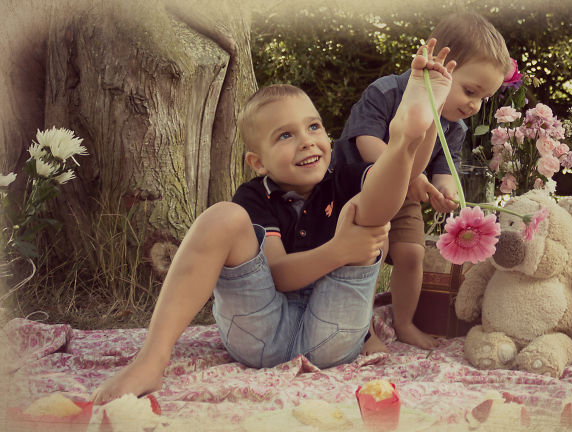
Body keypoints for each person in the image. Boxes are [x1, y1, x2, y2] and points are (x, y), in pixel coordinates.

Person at [90, 39, 456, 404]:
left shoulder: (341, 174)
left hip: (331, 333)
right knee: (223, 217)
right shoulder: (255, 196)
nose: (307, 142)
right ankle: (152, 360)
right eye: (285, 135)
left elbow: (398, 189)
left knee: (368, 211)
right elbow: (277, 273)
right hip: (260, 332)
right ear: (258, 163)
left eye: (313, 127)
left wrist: (412, 141)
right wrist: (340, 250)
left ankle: (405, 136)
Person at [331, 12, 511, 350]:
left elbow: (446, 167)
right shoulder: (386, 91)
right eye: (470, 91)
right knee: (370, 252)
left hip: (406, 196)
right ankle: (361, 329)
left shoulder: (454, 126)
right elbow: (365, 144)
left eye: (482, 99)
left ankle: (403, 322)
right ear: (437, 66)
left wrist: (445, 191)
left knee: (413, 254)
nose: (474, 105)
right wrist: (402, 173)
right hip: (355, 192)